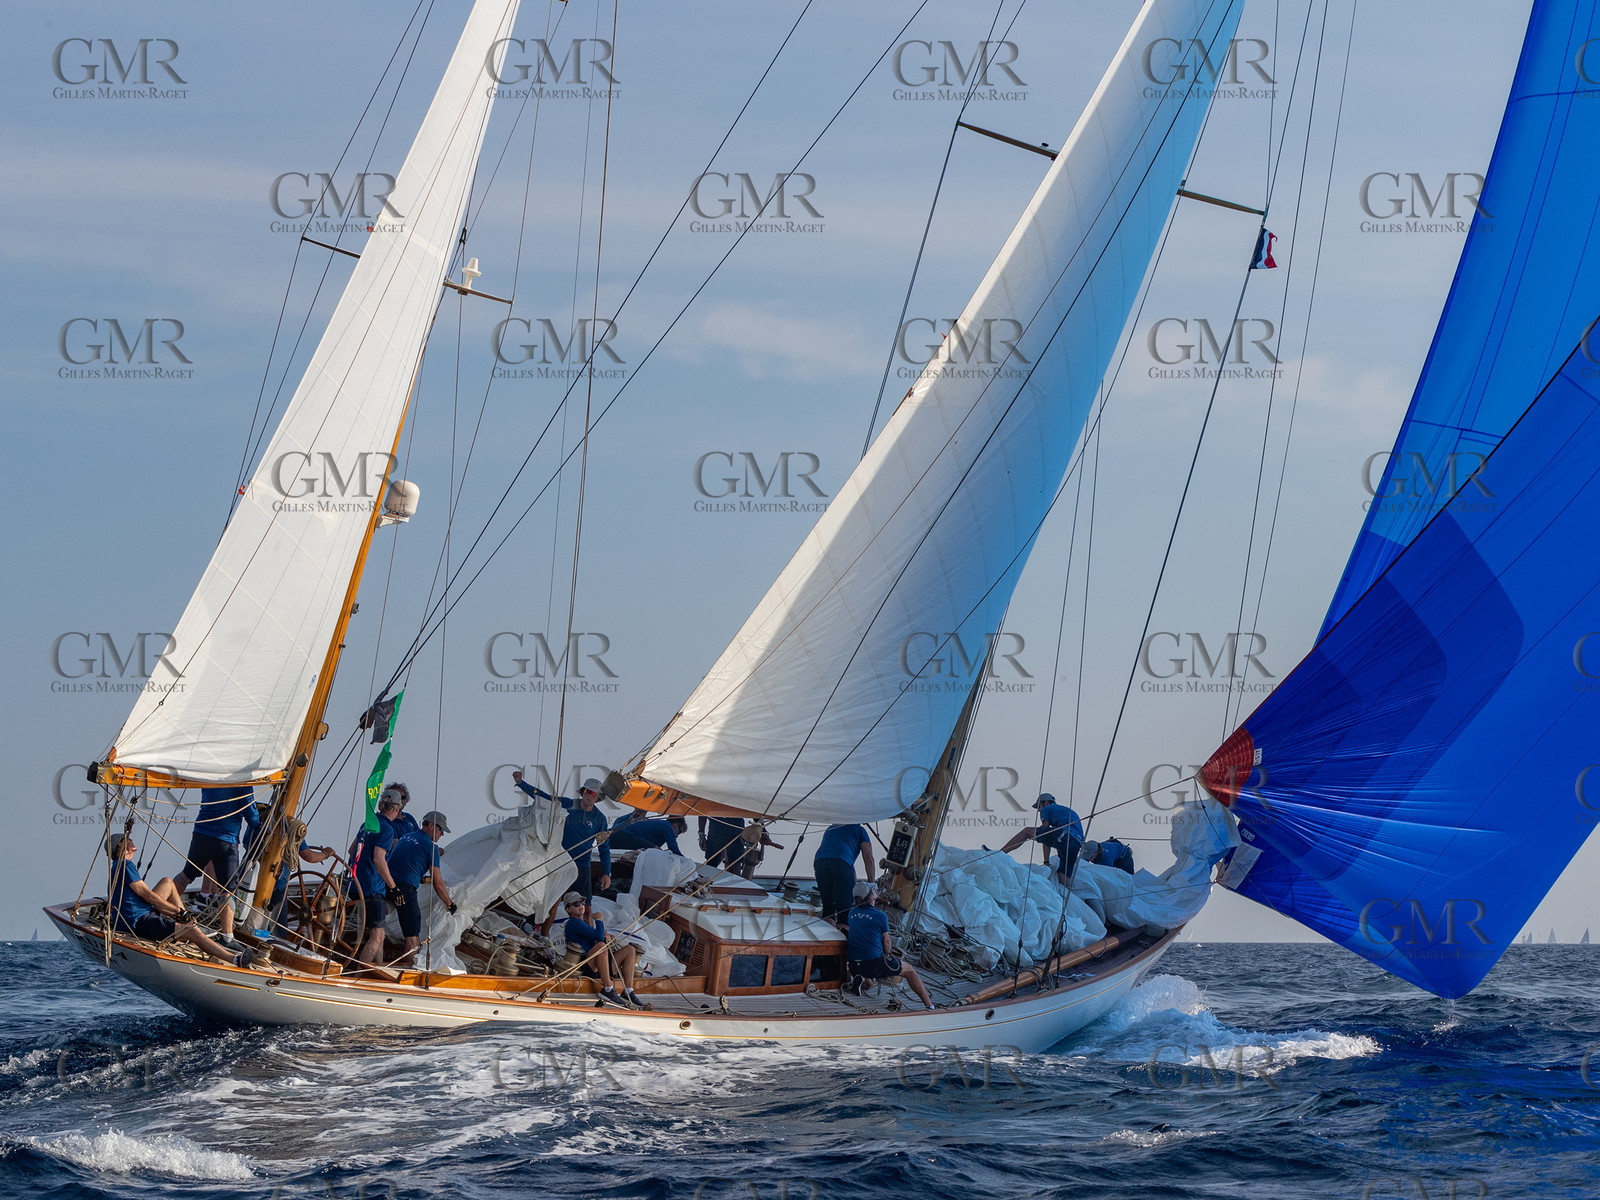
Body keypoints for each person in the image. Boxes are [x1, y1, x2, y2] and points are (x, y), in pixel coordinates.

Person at [106, 834, 255, 968]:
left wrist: (180, 913)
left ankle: (186, 921)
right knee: (193, 932)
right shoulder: (124, 864)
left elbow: (146, 896)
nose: (131, 839)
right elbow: (146, 895)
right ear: (120, 845)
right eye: (128, 838)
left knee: (168, 882)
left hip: (139, 913)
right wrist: (178, 912)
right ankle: (236, 959)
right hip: (138, 922)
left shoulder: (120, 865)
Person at [173, 784, 262, 948]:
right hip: (225, 842)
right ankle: (227, 937)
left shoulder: (210, 779)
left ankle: (163, 914)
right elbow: (253, 819)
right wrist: (260, 822)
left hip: (201, 834)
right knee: (227, 891)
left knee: (186, 875)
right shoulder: (242, 783)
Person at [512, 772, 611, 899]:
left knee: (585, 905)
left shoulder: (600, 819)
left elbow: (604, 848)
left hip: (581, 864)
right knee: (549, 899)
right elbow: (543, 798)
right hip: (559, 859)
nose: (589, 795)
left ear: (598, 798)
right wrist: (521, 783)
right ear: (582, 792)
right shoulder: (567, 804)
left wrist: (606, 873)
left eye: (593, 793)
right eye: (586, 791)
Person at [844, 881, 933, 1009]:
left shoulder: (852, 913)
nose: (876, 892)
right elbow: (886, 942)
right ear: (872, 896)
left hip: (853, 965)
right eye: (874, 891)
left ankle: (864, 979)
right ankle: (930, 1006)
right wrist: (888, 955)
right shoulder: (880, 916)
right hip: (873, 964)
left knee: (871, 974)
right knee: (910, 970)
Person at [386, 811, 456, 965]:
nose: (442, 834)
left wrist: (419, 878)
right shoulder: (430, 847)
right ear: (431, 826)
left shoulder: (405, 838)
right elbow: (438, 884)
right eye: (441, 830)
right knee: (412, 938)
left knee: (379, 926)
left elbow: (402, 863)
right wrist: (450, 904)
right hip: (405, 891)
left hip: (387, 886)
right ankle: (409, 975)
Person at [561, 893, 644, 1009]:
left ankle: (628, 990)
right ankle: (608, 989)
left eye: (582, 902)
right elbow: (598, 938)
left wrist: (606, 938)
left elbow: (598, 937)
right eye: (576, 904)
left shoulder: (584, 922)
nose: (581, 906)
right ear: (568, 909)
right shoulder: (573, 923)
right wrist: (599, 921)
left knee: (630, 950)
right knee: (600, 945)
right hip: (586, 964)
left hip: (598, 964)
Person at [353, 793, 403, 965]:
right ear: (396, 809)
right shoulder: (388, 829)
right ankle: (361, 971)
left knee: (378, 933)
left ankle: (379, 967)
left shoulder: (366, 824)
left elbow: (352, 850)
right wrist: (394, 887)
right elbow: (379, 859)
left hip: (355, 885)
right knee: (378, 935)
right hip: (372, 888)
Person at [1000, 793, 1086, 882]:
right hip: (1076, 844)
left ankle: (1000, 853)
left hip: (1065, 834)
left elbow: (1044, 833)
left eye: (1039, 806)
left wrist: (1046, 862)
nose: (1039, 810)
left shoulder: (1047, 808)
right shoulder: (1064, 811)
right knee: (1064, 876)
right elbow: (1048, 837)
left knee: (1026, 832)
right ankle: (1063, 895)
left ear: (1046, 802)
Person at [813, 822, 874, 925]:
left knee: (828, 907)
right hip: (842, 863)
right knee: (844, 910)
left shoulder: (831, 828)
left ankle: (826, 938)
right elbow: (869, 858)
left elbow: (843, 862)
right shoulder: (860, 830)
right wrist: (872, 885)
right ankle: (842, 936)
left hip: (820, 862)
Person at [606, 814, 688, 856]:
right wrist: (684, 860)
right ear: (676, 825)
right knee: (656, 850)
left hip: (612, 836)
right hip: (622, 835)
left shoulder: (658, 825)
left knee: (654, 850)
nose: (677, 836)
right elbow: (673, 848)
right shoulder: (667, 826)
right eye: (679, 831)